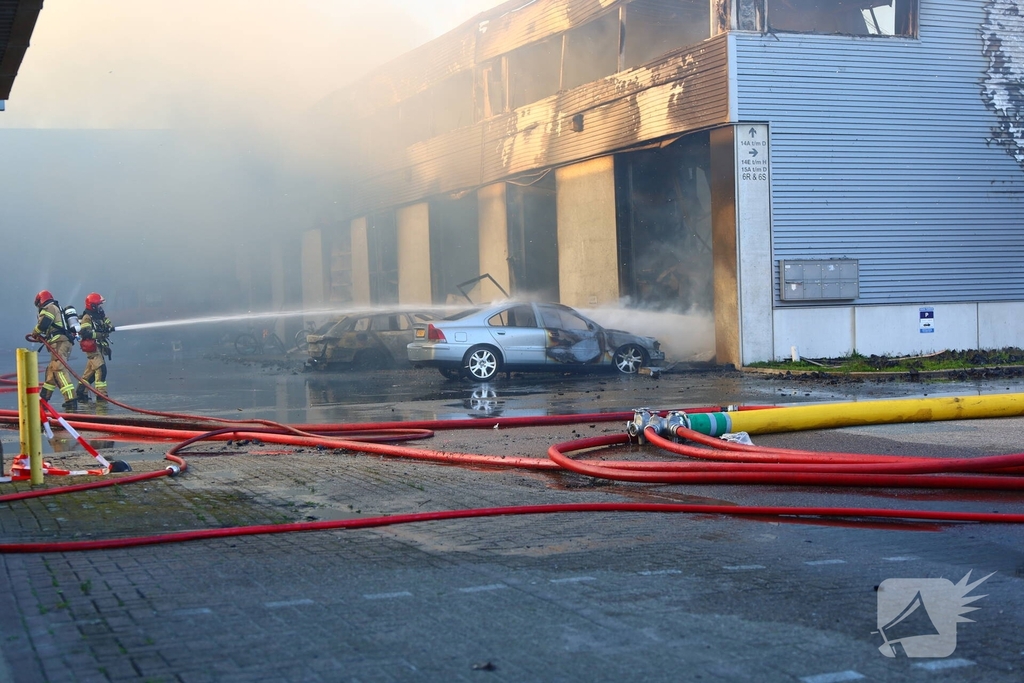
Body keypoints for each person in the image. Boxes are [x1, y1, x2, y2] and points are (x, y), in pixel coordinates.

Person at [30, 290, 78, 410]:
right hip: (60, 342)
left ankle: (71, 400)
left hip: (60, 343)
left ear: (40, 301)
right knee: (51, 372)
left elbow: (44, 323)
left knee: (59, 370)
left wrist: (35, 332)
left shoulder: (49, 307)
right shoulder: (56, 307)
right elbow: (50, 328)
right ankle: (43, 400)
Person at [76, 292, 115, 402]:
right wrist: (101, 334)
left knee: (90, 373)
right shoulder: (87, 318)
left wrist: (110, 327)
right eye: (99, 305)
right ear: (93, 305)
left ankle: (80, 392)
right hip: (92, 348)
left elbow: (106, 321)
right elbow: (86, 333)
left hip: (99, 347)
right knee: (101, 369)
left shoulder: (100, 315)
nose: (100, 307)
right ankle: (101, 395)